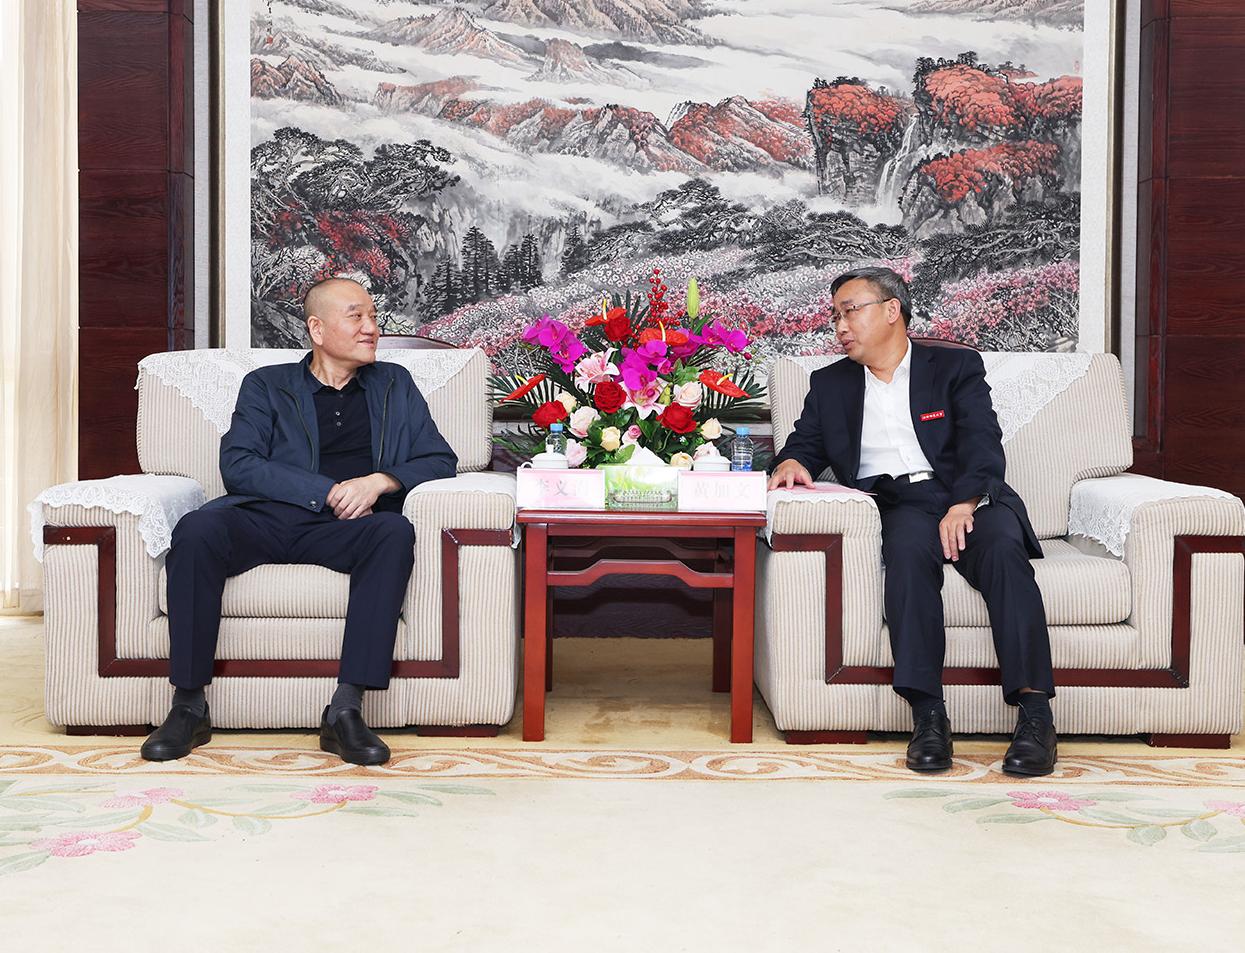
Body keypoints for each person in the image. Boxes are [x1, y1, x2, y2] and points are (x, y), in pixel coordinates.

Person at [141, 277, 457, 765]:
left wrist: (379, 482)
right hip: (264, 518)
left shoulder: (394, 384)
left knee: (394, 531)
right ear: (317, 328)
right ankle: (188, 706)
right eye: (356, 316)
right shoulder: (267, 385)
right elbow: (238, 464)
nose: (371, 328)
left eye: (373, 316)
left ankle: (346, 709)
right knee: (196, 529)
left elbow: (439, 459)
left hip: (347, 527)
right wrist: (323, 490)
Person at [769, 267, 1057, 776]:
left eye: (850, 311)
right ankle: (928, 716)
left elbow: (981, 440)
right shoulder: (831, 384)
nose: (840, 325)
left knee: (1003, 553)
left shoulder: (954, 367)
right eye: (835, 316)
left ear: (891, 310)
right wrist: (791, 463)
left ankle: (1036, 717)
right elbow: (804, 445)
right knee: (904, 558)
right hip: (898, 504)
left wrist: (964, 503)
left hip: (966, 498)